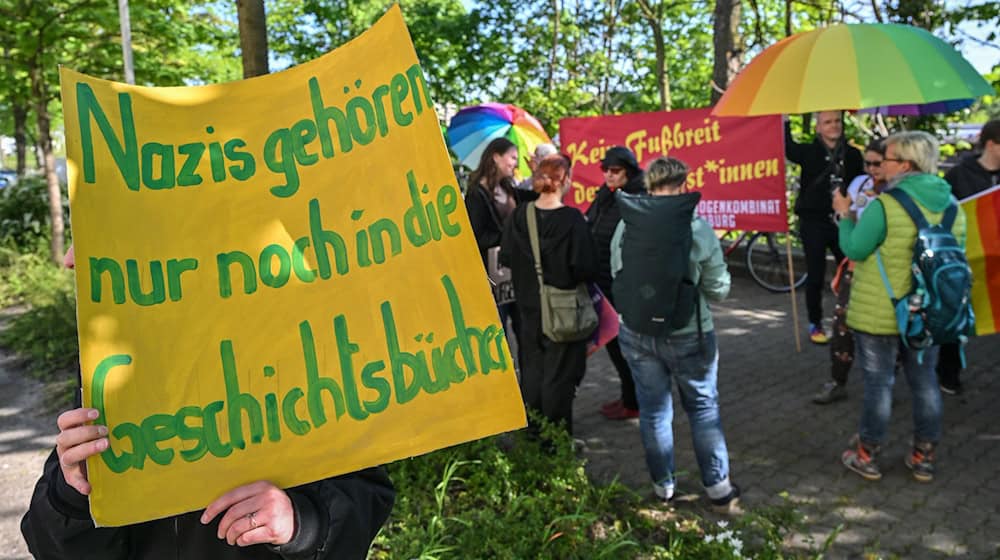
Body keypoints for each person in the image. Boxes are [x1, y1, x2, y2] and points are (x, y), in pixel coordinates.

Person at [21, 246, 395, 559]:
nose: (71, 260)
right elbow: (51, 547)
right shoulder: (116, 365)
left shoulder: (299, 351)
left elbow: (365, 497)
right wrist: (72, 493)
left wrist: (301, 523)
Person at [835, 131, 966, 483]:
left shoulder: (885, 206)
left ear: (905, 164)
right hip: (930, 311)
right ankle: (924, 455)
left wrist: (845, 217)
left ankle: (867, 454)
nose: (881, 165)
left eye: (887, 159)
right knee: (925, 382)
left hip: (881, 310)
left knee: (879, 384)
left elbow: (856, 250)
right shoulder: (953, 206)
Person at [611, 157, 740, 513]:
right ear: (684, 185)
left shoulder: (626, 225)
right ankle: (718, 488)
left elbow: (617, 272)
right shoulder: (697, 228)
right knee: (702, 409)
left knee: (653, 412)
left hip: (636, 331)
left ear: (648, 186)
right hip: (688, 333)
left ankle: (663, 487)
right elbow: (718, 290)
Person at [500, 154, 597, 435]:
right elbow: (585, 267)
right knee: (560, 378)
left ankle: (532, 436)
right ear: (565, 180)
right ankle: (555, 445)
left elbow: (506, 257)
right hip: (564, 310)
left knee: (532, 370)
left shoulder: (520, 215)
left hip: (528, 308)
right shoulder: (573, 220)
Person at [813, 138, 887, 404]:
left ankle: (884, 385)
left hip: (886, 270)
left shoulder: (898, 191)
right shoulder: (860, 184)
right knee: (842, 323)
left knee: (887, 332)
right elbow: (850, 223)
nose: (871, 169)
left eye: (877, 164)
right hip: (857, 265)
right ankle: (837, 380)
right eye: (867, 163)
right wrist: (844, 212)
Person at [785, 111, 864, 344]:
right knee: (815, 274)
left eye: (837, 121)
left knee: (853, 272)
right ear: (818, 127)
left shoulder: (852, 154)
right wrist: (785, 120)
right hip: (814, 222)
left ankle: (854, 319)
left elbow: (860, 184)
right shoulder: (809, 152)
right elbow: (787, 147)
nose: (833, 126)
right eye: (827, 122)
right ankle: (815, 323)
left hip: (844, 221)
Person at [937, 119, 1000, 395]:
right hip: (968, 260)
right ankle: (947, 373)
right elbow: (944, 213)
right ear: (990, 144)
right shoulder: (959, 175)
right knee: (958, 316)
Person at [586, 146, 645, 420]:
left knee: (625, 347)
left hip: (621, 284)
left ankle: (634, 401)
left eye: (615, 171)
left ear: (628, 171)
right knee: (613, 343)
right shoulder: (606, 195)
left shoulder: (638, 198)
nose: (608, 176)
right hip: (601, 280)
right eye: (606, 171)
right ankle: (629, 396)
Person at [465, 137, 524, 351]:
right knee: (499, 333)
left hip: (516, 272)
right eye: (512, 157)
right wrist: (508, 237)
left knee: (524, 331)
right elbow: (476, 236)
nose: (515, 163)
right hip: (493, 277)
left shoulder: (510, 188)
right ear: (496, 157)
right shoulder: (476, 194)